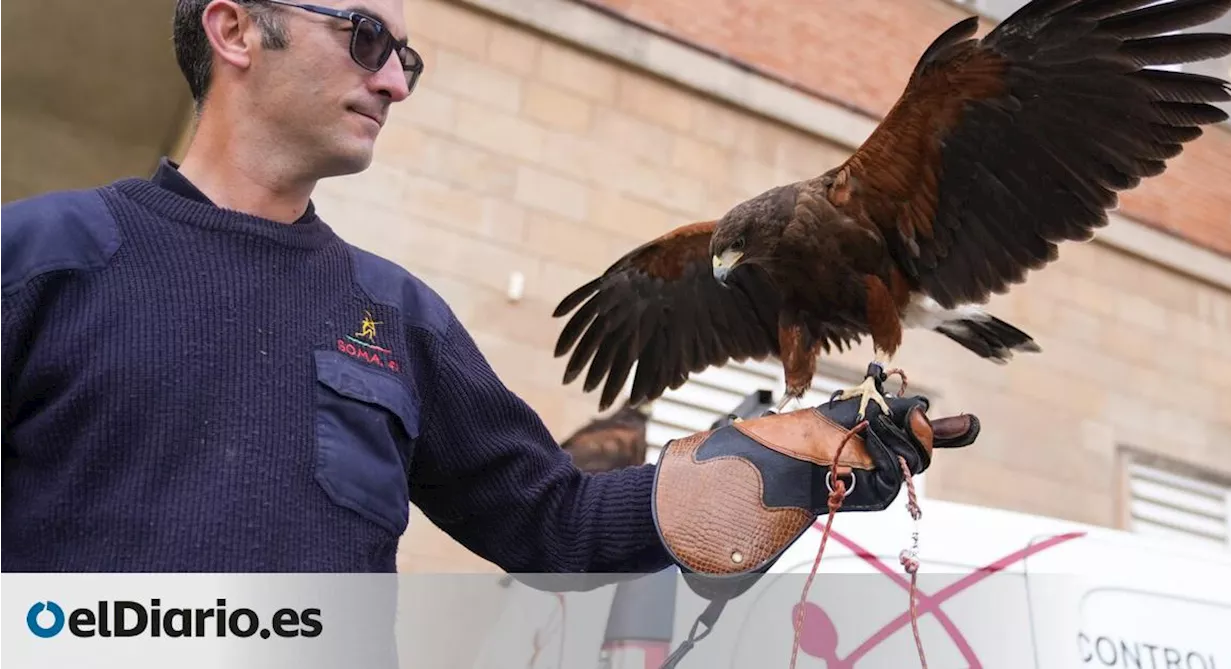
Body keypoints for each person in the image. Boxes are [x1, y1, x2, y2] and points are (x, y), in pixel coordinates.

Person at [0, 0, 961, 574]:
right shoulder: (35, 259)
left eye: (409, 60)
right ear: (236, 28)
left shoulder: (398, 319)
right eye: (367, 38)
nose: (396, 85)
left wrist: (784, 460)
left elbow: (557, 521)